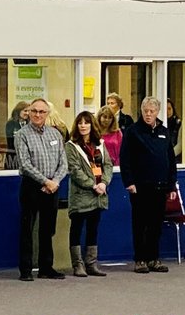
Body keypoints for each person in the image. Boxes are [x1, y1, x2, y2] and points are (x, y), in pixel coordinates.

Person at [120, 96, 177, 274]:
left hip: (160, 186)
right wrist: (129, 181)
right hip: (139, 187)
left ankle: (154, 258)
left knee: (156, 224)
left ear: (157, 112)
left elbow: (170, 160)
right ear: (141, 111)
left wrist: (171, 185)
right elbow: (125, 158)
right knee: (140, 224)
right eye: (146, 111)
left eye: (152, 111)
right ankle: (140, 260)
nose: (148, 114)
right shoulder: (132, 131)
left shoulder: (164, 132)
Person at [14, 96, 68, 280]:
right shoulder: (21, 135)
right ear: (28, 112)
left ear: (47, 114)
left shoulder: (55, 134)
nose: (37, 114)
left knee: (48, 228)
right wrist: (46, 181)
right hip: (31, 186)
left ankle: (46, 267)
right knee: (27, 229)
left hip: (53, 187)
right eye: (34, 111)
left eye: (41, 112)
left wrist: (55, 182)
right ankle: (26, 270)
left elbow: (63, 163)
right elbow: (25, 164)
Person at [66, 110, 112, 277]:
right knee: (77, 228)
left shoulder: (99, 144)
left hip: (99, 194)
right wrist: (93, 185)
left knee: (93, 228)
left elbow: (107, 165)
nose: (83, 126)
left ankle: (91, 263)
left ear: (92, 125)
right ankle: (77, 265)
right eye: (80, 123)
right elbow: (75, 170)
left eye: (86, 122)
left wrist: (104, 183)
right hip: (81, 194)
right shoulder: (71, 146)